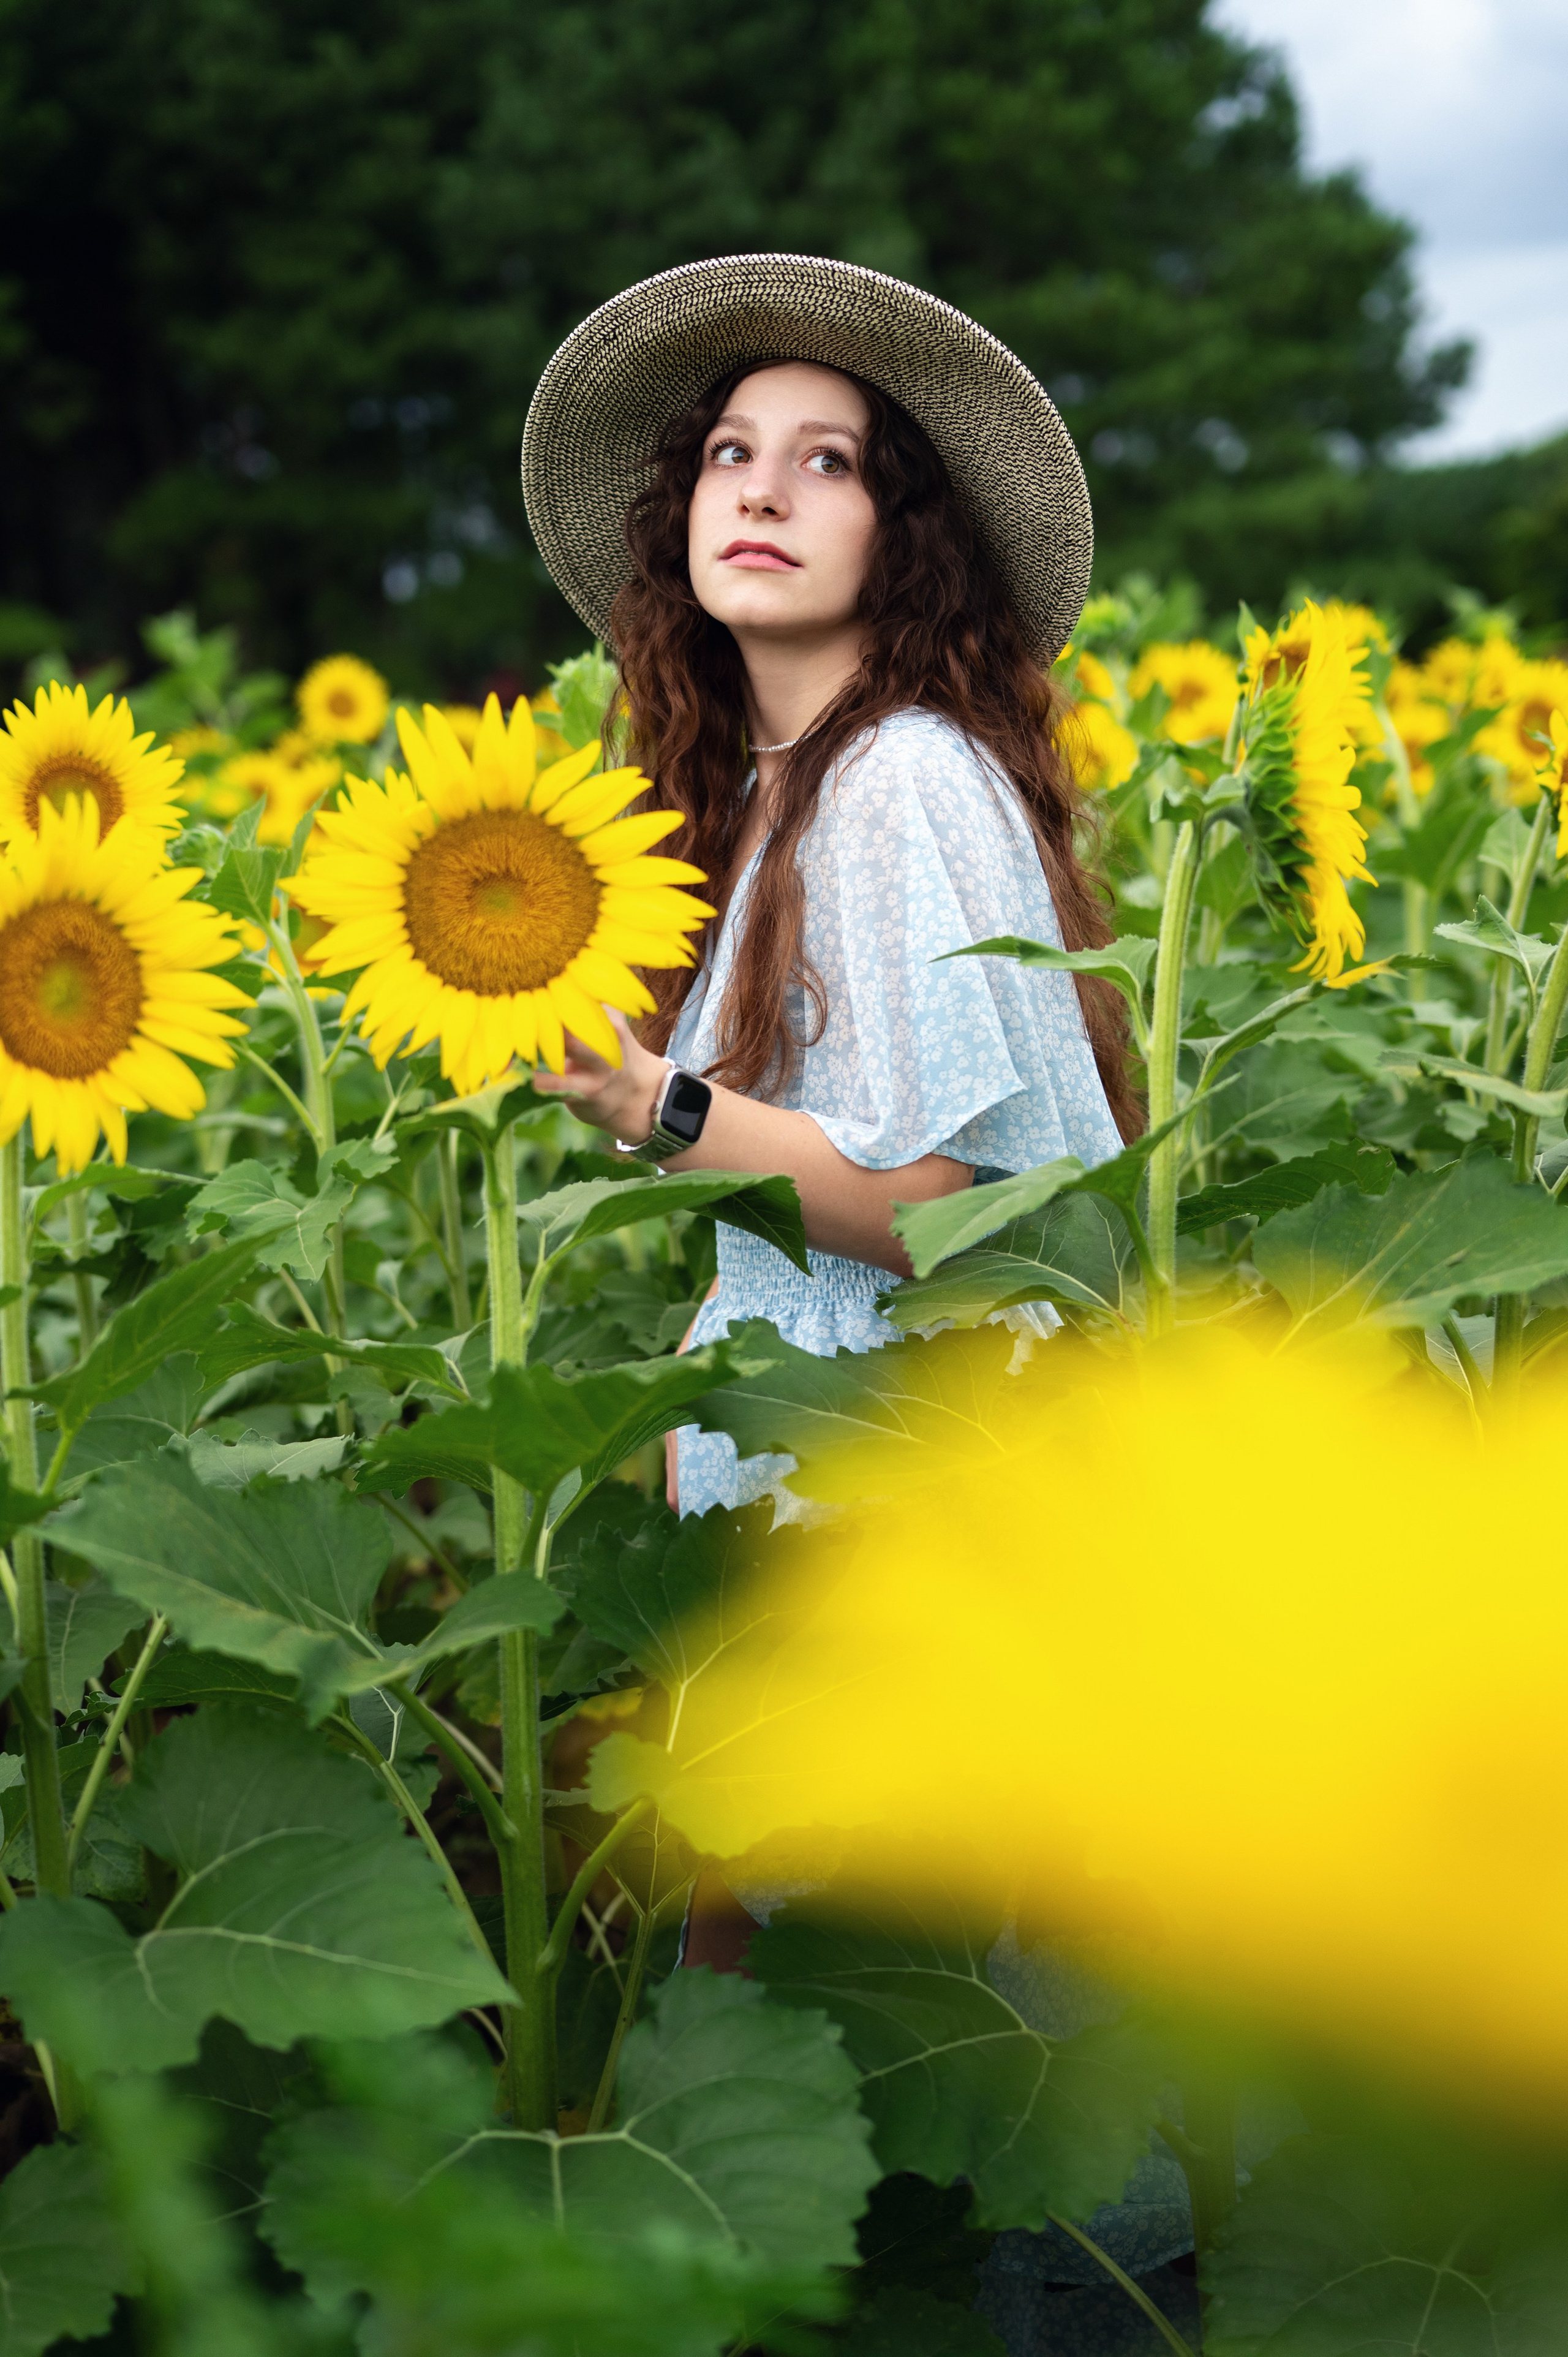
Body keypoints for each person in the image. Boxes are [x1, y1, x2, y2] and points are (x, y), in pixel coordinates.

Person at [523, 255, 1137, 1523]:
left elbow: (930, 1211)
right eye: (730, 453)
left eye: (827, 462)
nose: (762, 490)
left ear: (904, 536)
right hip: (830, 1431)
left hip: (921, 1464)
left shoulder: (895, 775)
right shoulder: (743, 794)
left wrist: (649, 1102)